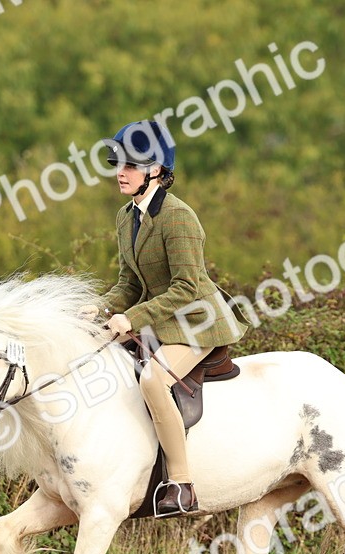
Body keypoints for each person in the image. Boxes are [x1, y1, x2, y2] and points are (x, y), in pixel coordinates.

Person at [78, 120, 249, 517]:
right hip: (161, 319)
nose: (121, 172)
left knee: (153, 380)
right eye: (117, 163)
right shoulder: (126, 216)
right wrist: (102, 309)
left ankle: (182, 484)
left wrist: (132, 319)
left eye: (131, 165)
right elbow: (128, 283)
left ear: (156, 170)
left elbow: (187, 286)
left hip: (198, 320)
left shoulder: (179, 217)